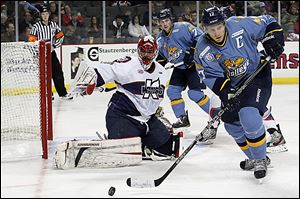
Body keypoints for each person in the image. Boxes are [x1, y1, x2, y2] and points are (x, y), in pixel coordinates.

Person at [55, 35, 184, 169]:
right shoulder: (128, 64)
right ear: (138, 51)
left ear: (155, 52)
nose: (146, 55)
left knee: (166, 149)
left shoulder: (161, 72)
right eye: (143, 51)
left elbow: (153, 98)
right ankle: (125, 142)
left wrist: (154, 111)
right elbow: (107, 70)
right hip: (122, 116)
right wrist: (92, 79)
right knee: (122, 150)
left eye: (150, 52)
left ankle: (143, 146)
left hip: (146, 120)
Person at [194, 6, 285, 182]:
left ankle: (260, 160)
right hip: (234, 86)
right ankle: (255, 156)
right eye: (212, 29)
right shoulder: (203, 48)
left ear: (224, 23)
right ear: (204, 29)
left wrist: (273, 40)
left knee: (248, 115)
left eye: (219, 27)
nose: (217, 32)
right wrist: (225, 91)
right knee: (230, 123)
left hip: (257, 74)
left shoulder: (239, 24)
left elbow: (268, 22)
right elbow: (209, 76)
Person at [155, 8, 219, 141]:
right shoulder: (160, 39)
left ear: (171, 20)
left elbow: (202, 38)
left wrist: (192, 52)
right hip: (180, 68)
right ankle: (182, 119)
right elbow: (162, 57)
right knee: (172, 91)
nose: (165, 23)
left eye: (167, 20)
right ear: (159, 23)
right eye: (162, 21)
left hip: (194, 65)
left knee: (194, 94)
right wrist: (155, 68)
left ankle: (216, 116)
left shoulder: (184, 27)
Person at [28, 5, 71, 100]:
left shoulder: (53, 25)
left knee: (58, 73)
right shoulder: (37, 26)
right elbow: (31, 40)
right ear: (41, 15)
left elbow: (60, 36)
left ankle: (62, 93)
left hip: (51, 53)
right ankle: (48, 94)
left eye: (46, 14)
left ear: (49, 14)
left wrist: (54, 46)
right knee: (45, 75)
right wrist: (36, 51)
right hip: (41, 54)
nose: (45, 16)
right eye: (43, 14)